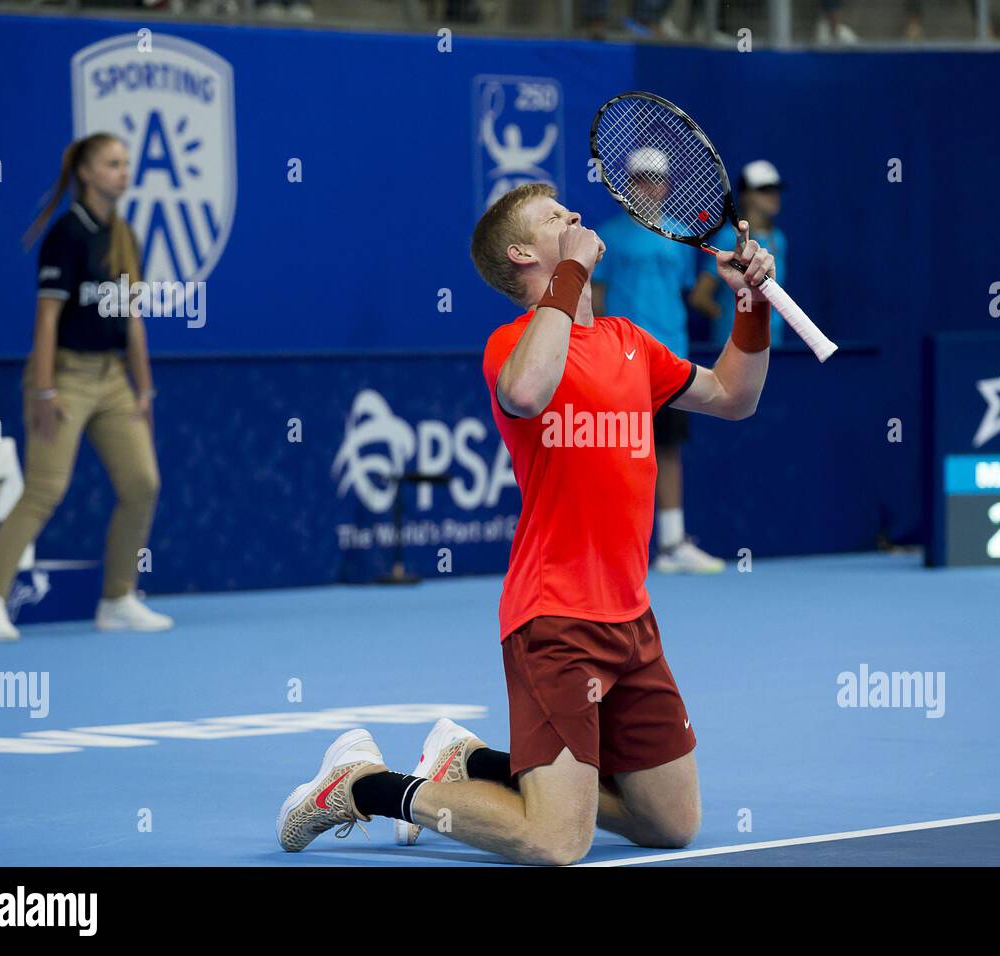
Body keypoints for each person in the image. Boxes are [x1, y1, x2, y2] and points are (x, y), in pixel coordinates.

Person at [276, 182, 777, 865]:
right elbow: (526, 391)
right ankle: (367, 786)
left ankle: (471, 761)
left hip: (633, 620)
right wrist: (571, 272)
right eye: (553, 218)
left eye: (569, 211)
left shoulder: (632, 343)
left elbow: (733, 396)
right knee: (555, 842)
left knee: (671, 822)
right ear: (521, 255)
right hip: (555, 618)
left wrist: (750, 304)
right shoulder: (510, 347)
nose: (573, 216)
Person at [0, 134, 171, 641]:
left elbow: (134, 321)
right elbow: (48, 318)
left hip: (114, 381)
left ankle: (118, 598)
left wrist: (144, 391)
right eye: (113, 164)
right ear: (86, 172)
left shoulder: (126, 237)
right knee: (44, 489)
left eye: (126, 164)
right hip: (65, 378)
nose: (124, 172)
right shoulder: (66, 236)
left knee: (143, 484)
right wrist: (45, 389)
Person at [592, 147, 725, 574]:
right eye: (640, 178)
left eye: (656, 178)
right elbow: (595, 300)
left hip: (670, 358)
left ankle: (670, 545)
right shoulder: (605, 238)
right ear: (626, 184)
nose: (648, 186)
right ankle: (611, 547)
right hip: (619, 360)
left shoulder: (681, 237)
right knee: (615, 455)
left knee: (667, 450)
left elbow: (680, 294)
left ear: (667, 184)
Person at [690, 159, 789, 352]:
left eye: (775, 189)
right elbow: (699, 297)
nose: (773, 195)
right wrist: (731, 319)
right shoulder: (729, 238)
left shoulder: (779, 239)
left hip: (772, 347)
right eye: (764, 189)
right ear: (746, 195)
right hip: (734, 349)